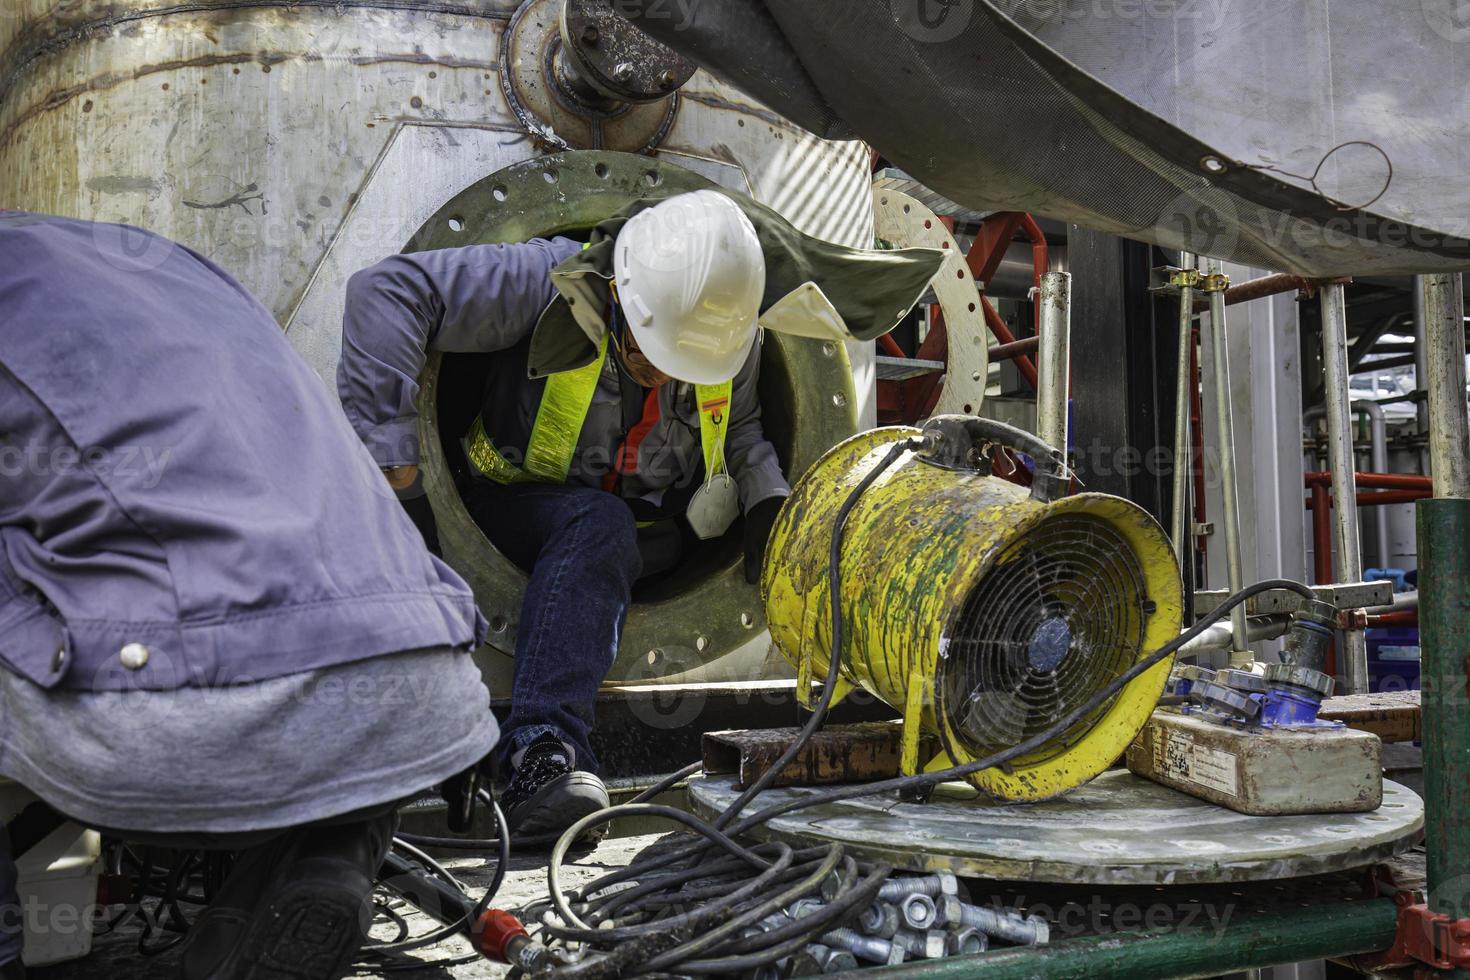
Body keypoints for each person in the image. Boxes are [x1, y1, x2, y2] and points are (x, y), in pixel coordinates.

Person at [0, 212, 498, 980]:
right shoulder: (177, 270)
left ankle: (45, 927)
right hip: (431, 693)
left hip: (171, 725)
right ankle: (321, 857)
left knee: (54, 594)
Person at [339, 190, 791, 839]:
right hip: (514, 508)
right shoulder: (550, 281)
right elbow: (384, 293)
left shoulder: (728, 332)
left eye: (682, 364)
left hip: (639, 534)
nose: (662, 376)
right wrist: (398, 476)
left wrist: (766, 497)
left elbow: (741, 426)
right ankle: (541, 753)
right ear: (621, 287)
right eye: (648, 349)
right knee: (598, 522)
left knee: (612, 527)